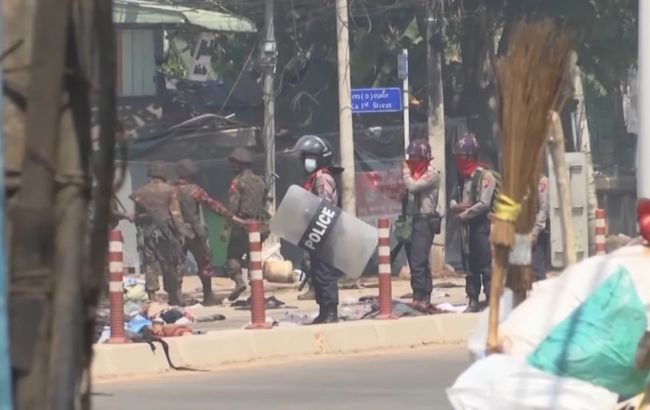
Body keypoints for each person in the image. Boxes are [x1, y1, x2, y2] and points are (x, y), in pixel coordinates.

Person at [175, 159, 246, 306]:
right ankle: (208, 296)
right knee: (204, 263)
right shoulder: (195, 190)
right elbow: (213, 205)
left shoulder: (170, 190)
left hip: (176, 231)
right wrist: (233, 217)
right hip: (195, 231)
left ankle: (176, 297)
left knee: (177, 264)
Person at [294, 135, 343, 324]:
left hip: (325, 231)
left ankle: (331, 311)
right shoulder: (312, 178)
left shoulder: (323, 178)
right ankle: (323, 310)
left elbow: (325, 206)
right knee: (316, 271)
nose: (307, 161)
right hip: (316, 231)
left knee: (325, 272)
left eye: (310, 157)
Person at [130, 162, 190, 306]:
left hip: (147, 234)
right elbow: (176, 214)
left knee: (150, 264)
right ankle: (173, 295)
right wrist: (181, 233)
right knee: (170, 263)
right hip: (167, 233)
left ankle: (152, 297)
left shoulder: (139, 192)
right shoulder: (170, 190)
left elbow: (136, 216)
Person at [450, 134, 496, 313]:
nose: (459, 160)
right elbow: (453, 198)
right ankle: (473, 300)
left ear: (471, 156)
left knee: (485, 265)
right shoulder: (461, 177)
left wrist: (465, 214)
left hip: (480, 225)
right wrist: (456, 206)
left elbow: (484, 204)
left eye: (461, 156)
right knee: (470, 266)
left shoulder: (485, 176)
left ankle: (491, 300)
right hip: (465, 228)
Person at [221, 148, 267, 301]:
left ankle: (239, 282)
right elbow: (264, 204)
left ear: (241, 164)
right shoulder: (261, 181)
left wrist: (226, 229)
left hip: (242, 226)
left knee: (232, 257)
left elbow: (232, 208)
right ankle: (256, 293)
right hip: (260, 226)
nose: (232, 166)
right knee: (253, 259)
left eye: (234, 163)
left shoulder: (237, 182)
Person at [401, 139, 441, 310]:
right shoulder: (413, 174)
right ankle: (420, 293)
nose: (411, 161)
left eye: (415, 158)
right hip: (412, 220)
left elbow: (414, 187)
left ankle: (421, 295)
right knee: (414, 260)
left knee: (419, 259)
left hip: (425, 221)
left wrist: (404, 172)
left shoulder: (431, 174)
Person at [531, 174, 550, 281]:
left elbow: (543, 210)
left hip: (538, 232)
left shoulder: (541, 180)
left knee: (536, 269)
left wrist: (534, 233)